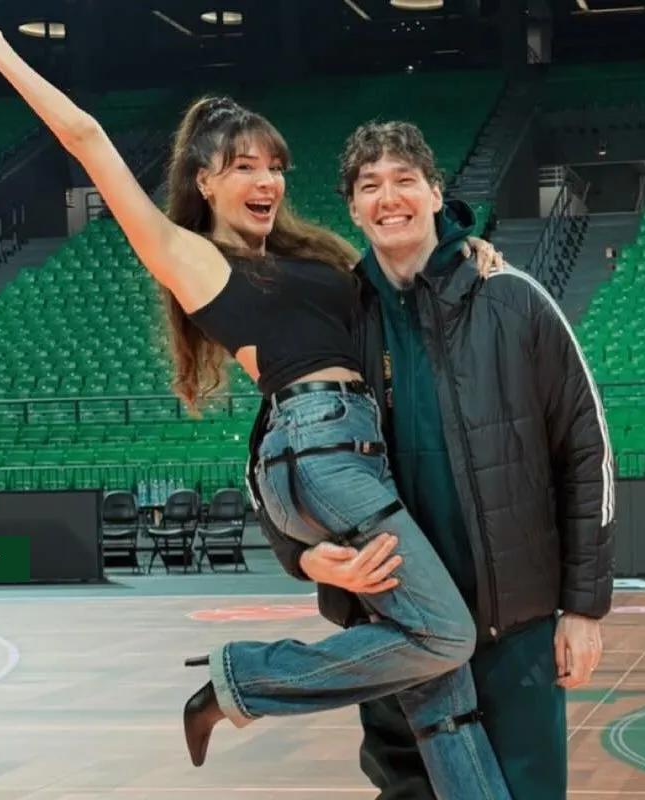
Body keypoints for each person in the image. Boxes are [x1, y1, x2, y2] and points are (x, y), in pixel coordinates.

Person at [0, 25, 514, 800]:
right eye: (244, 166)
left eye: (275, 166)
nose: (267, 179)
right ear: (204, 181)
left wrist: (464, 255)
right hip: (319, 448)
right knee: (446, 634)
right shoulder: (193, 258)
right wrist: (2, 52)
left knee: (438, 675)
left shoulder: (312, 256)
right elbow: (87, 137)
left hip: (354, 447)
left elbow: (401, 288)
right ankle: (240, 681)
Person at [255, 120, 615, 800]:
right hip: (393, 623)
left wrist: (583, 609)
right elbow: (271, 454)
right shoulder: (333, 321)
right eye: (370, 186)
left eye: (404, 180)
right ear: (352, 208)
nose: (389, 198)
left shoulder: (513, 299)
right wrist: (299, 554)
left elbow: (585, 452)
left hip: (514, 630)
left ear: (435, 192)